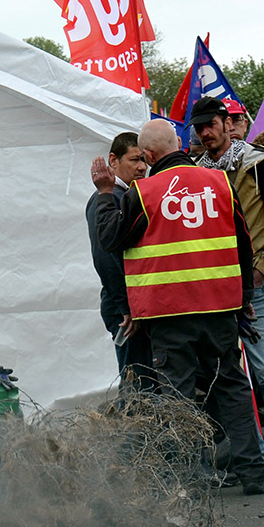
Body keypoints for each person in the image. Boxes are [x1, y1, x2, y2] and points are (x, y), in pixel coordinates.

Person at [91, 118, 264, 495]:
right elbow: (244, 244)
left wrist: (106, 192)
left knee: (179, 399)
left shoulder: (144, 192)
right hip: (219, 309)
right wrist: (243, 302)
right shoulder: (219, 182)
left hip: (169, 314)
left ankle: (193, 480)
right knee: (232, 389)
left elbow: (110, 237)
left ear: (151, 155)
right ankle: (254, 474)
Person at [192, 96, 264, 483]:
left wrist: (259, 271)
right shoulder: (195, 173)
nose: (205, 132)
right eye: (199, 127)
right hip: (216, 289)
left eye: (211, 124)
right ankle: (253, 456)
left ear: (227, 123)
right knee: (230, 377)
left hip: (252, 285)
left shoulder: (259, 163)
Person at [86, 132, 154, 390]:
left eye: (145, 160)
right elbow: (105, 259)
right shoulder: (109, 199)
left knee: (142, 378)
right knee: (137, 383)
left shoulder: (125, 196)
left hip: (130, 304)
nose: (142, 167)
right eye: (135, 159)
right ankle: (135, 431)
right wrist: (128, 306)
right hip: (124, 308)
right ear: (113, 160)